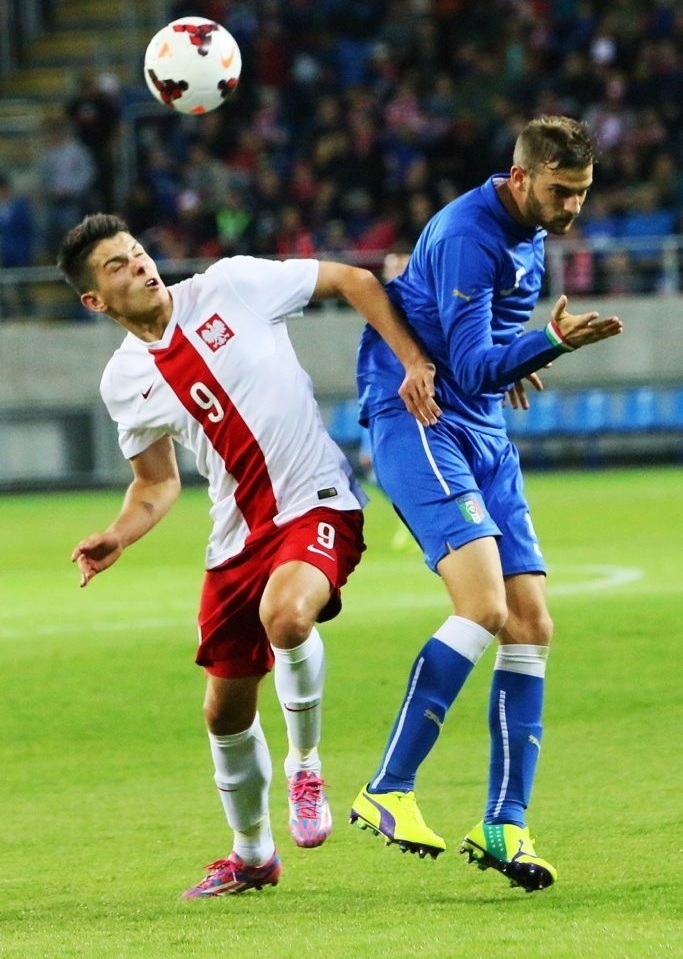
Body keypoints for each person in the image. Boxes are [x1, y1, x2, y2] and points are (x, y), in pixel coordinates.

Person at [58, 212, 439, 899]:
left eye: (138, 252)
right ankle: (253, 854)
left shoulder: (232, 285)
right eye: (116, 266)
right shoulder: (124, 379)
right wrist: (119, 532)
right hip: (237, 533)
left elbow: (352, 279)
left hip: (317, 500)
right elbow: (155, 480)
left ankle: (306, 763)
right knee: (223, 711)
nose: (139, 266)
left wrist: (412, 359)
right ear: (95, 300)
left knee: (287, 616)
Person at [349, 115, 623, 892]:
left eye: (581, 193)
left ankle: (503, 821)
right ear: (520, 176)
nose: (572, 208)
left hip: (479, 425)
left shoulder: (526, 227)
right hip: (421, 419)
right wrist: (550, 343)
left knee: (531, 619)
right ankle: (387, 788)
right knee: (482, 608)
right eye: (561, 191)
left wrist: (515, 353)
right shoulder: (475, 233)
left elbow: (475, 338)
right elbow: (466, 366)